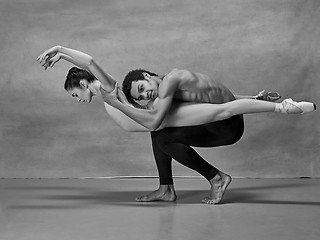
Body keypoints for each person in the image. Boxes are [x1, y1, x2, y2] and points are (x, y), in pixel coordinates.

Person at [37, 45, 316, 204]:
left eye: (76, 94)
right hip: (167, 119)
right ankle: (167, 188)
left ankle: (281, 110)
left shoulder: (109, 89)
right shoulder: (111, 94)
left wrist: (61, 50)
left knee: (190, 124)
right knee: (160, 135)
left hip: (183, 120)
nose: (77, 99)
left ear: (85, 84)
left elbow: (89, 61)